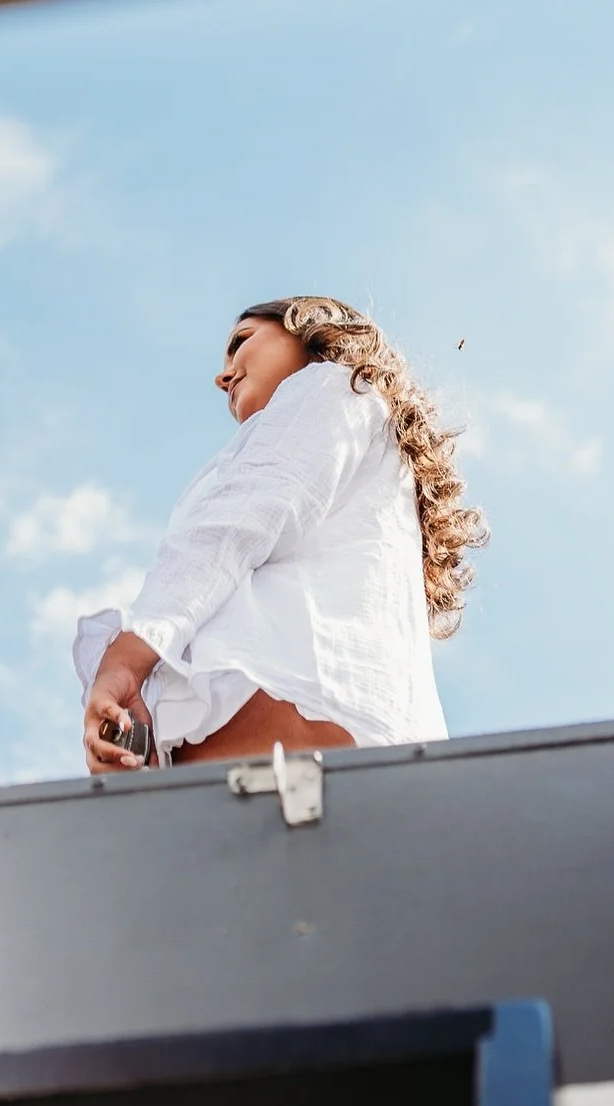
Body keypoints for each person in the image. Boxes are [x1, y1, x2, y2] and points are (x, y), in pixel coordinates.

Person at [74, 296, 489, 773]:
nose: (222, 377)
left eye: (241, 342)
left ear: (307, 328)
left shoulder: (333, 387)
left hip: (288, 766)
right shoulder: (373, 471)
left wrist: (125, 663)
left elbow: (230, 527)